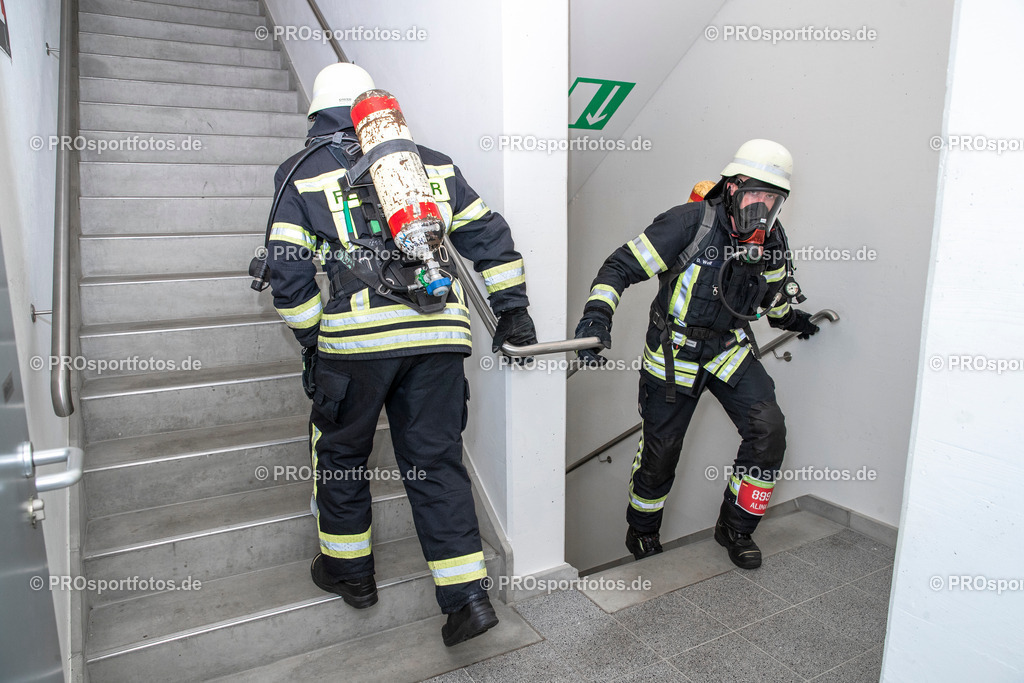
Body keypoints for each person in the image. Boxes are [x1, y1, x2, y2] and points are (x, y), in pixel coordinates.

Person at [266, 63, 538, 645]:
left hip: (357, 346)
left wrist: (314, 342)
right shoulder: (432, 164)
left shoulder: (300, 172)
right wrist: (512, 310)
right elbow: (489, 236)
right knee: (436, 462)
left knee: (341, 454)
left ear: (318, 116)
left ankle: (351, 574)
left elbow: (288, 275)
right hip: (440, 337)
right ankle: (467, 599)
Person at [573, 140, 819, 569]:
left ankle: (736, 529)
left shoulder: (773, 239)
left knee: (769, 431)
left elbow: (774, 295)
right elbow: (619, 266)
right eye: (756, 195)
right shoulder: (689, 223)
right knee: (660, 454)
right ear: (733, 186)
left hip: (728, 348)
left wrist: (792, 319)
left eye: (773, 199)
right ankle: (643, 533)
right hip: (674, 352)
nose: (763, 208)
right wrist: (597, 317)